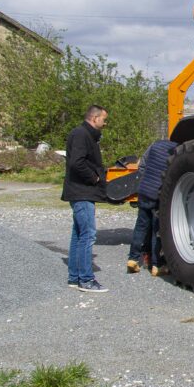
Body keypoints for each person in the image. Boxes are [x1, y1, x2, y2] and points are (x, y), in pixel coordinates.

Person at [62, 104, 109, 292]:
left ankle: (74, 277)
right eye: (104, 119)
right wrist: (95, 178)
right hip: (82, 192)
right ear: (94, 118)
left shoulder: (85, 134)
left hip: (80, 191)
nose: (105, 123)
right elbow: (77, 163)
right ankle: (86, 280)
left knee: (79, 234)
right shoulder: (81, 134)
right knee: (88, 235)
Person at [127, 139, 177, 276]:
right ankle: (157, 265)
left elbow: (141, 166)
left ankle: (133, 259)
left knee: (141, 227)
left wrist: (146, 181)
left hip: (143, 190)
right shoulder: (178, 149)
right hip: (157, 194)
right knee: (157, 230)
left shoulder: (154, 145)